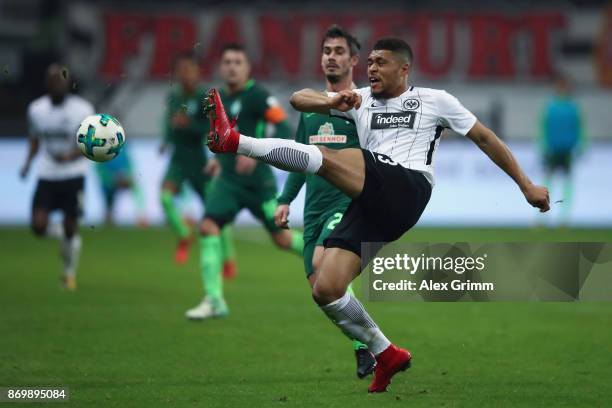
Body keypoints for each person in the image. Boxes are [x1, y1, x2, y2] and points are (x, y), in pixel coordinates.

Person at [205, 37, 550, 392]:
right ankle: (386, 353)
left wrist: (526, 185)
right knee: (326, 289)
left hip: (409, 186)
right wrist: (333, 99)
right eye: (369, 62)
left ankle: (234, 140)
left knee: (324, 156)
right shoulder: (359, 100)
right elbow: (297, 101)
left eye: (380, 62)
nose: (371, 68)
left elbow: (486, 138)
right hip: (375, 203)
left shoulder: (435, 100)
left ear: (403, 68)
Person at [274, 25, 375, 379]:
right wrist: (285, 200)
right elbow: (299, 159)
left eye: (338, 51)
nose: (331, 56)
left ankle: (370, 348)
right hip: (313, 211)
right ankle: (366, 347)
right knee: (321, 292)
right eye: (326, 51)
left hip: (346, 205)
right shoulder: (311, 109)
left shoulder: (362, 109)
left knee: (322, 260)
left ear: (353, 60)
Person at [185, 44, 303, 320]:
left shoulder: (259, 96)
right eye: (227, 62)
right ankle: (214, 300)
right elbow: (218, 135)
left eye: (238, 61)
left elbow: (283, 126)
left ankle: (321, 257)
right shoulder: (217, 98)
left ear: (247, 68)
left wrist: (257, 155)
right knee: (208, 226)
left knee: (283, 239)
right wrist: (217, 158)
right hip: (227, 181)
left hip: (258, 183)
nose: (232, 66)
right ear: (220, 67)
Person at [20, 64, 94, 291]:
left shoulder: (82, 109)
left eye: (61, 80)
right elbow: (35, 139)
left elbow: (91, 143)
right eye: (53, 80)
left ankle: (69, 274)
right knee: (38, 226)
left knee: (71, 224)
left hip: (74, 174)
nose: (57, 84)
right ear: (47, 83)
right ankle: (65, 233)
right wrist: (27, 163)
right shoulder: (36, 109)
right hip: (47, 173)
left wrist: (70, 155)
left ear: (68, 83)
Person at [160, 51, 236, 268]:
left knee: (215, 210)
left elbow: (209, 127)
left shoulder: (206, 97)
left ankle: (228, 259)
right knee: (165, 198)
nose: (185, 74)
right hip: (178, 159)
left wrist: (190, 126)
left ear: (197, 72)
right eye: (180, 70)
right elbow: (169, 122)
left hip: (198, 161)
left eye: (189, 69)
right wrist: (166, 139)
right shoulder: (174, 97)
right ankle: (185, 234)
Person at [539, 74, 585, 224]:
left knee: (566, 182)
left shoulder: (573, 108)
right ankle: (543, 216)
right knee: (548, 183)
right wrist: (543, 145)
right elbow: (542, 127)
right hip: (552, 149)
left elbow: (580, 128)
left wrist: (581, 145)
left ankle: (564, 217)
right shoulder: (550, 107)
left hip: (567, 150)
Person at [96, 146, 147, 226]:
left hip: (122, 179)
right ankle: (108, 217)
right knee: (109, 200)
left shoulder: (122, 147)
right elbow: (99, 169)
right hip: (109, 182)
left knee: (135, 187)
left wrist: (126, 176)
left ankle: (142, 216)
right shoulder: (101, 148)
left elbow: (129, 164)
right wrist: (112, 179)